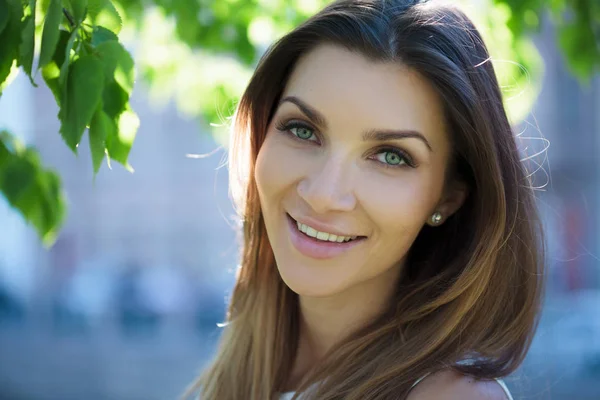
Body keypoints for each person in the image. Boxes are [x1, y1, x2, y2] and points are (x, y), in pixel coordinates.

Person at [187, 0, 545, 398]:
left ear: (448, 197)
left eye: (391, 156)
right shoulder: (243, 368)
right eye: (302, 130)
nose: (323, 195)